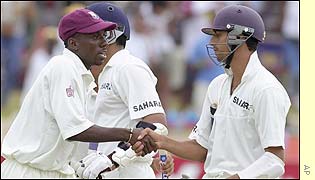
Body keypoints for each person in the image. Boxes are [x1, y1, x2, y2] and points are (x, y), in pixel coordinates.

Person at [134, 4, 291, 179]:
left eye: (217, 36)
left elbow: (275, 159)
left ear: (240, 37)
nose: (212, 43)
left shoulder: (266, 89)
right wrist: (162, 141)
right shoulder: (217, 85)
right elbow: (202, 149)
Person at [1, 9, 147, 178]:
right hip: (29, 172)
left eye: (104, 36)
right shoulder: (63, 66)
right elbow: (75, 130)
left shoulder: (83, 78)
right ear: (74, 43)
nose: (104, 43)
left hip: (54, 172)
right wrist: (128, 134)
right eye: (95, 36)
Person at [71, 2, 170, 179]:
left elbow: (156, 123)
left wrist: (113, 158)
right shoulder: (94, 74)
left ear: (107, 35)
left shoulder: (128, 67)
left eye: (85, 34)